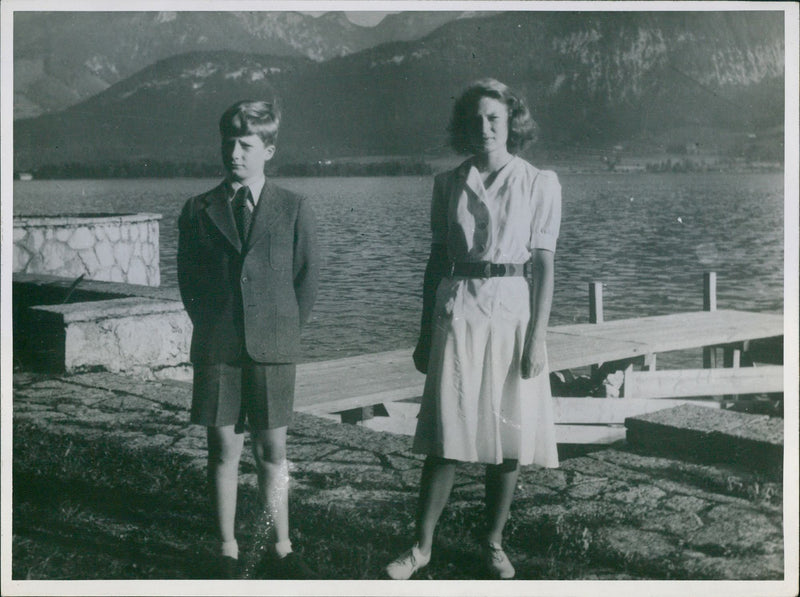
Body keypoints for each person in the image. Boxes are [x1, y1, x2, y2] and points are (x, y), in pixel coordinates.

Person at [386, 78, 561, 580]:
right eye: (476, 120)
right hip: (457, 307)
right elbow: (436, 261)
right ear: (465, 126)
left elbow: (545, 267)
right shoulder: (447, 183)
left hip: (512, 309)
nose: (485, 128)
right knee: (447, 432)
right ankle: (421, 547)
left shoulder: (537, 182)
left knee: (508, 434)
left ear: (511, 124)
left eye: (494, 119)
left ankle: (493, 541)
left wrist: (538, 338)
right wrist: (423, 333)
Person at [177, 98, 320, 579]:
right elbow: (190, 285)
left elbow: (306, 281)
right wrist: (215, 327)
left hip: (274, 348)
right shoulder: (198, 210)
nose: (233, 153)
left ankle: (281, 546)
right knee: (221, 448)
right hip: (218, 345)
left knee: (272, 451)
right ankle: (226, 547)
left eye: (245, 145)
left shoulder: (294, 208)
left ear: (269, 150)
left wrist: (280, 333)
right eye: (228, 143)